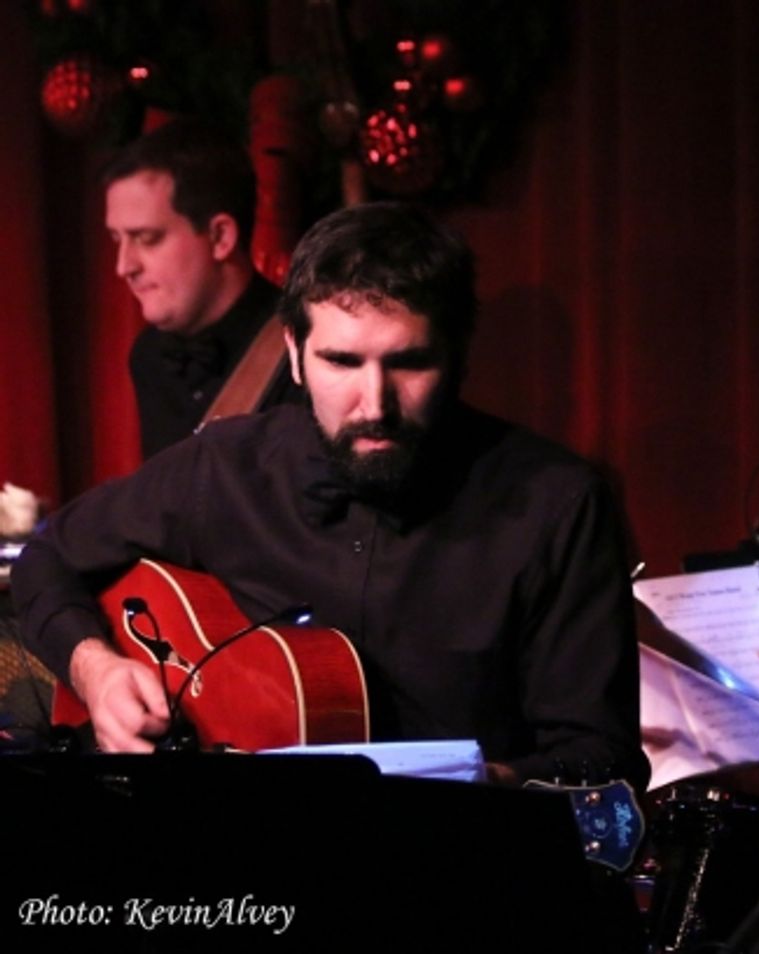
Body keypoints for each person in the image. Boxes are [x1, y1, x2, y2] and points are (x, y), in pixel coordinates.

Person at [12, 202, 648, 790]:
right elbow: (47, 558)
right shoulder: (225, 466)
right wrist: (96, 671)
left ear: (457, 356)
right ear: (294, 354)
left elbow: (602, 756)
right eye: (342, 362)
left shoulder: (558, 505)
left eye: (409, 363)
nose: (374, 405)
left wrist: (482, 788)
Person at [104, 120, 298, 458]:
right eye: (117, 240)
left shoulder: (308, 347)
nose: (124, 267)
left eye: (146, 238)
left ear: (220, 237)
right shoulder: (148, 357)